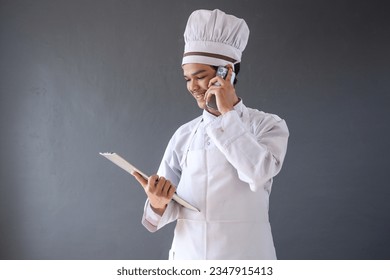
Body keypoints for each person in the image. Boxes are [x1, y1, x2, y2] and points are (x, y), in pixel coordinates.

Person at [132, 9, 289, 260]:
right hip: (188, 258)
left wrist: (226, 113)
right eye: (187, 79)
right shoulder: (183, 135)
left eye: (200, 76)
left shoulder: (268, 126)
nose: (192, 87)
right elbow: (155, 218)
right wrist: (157, 202)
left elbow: (257, 174)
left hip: (246, 259)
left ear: (227, 72)